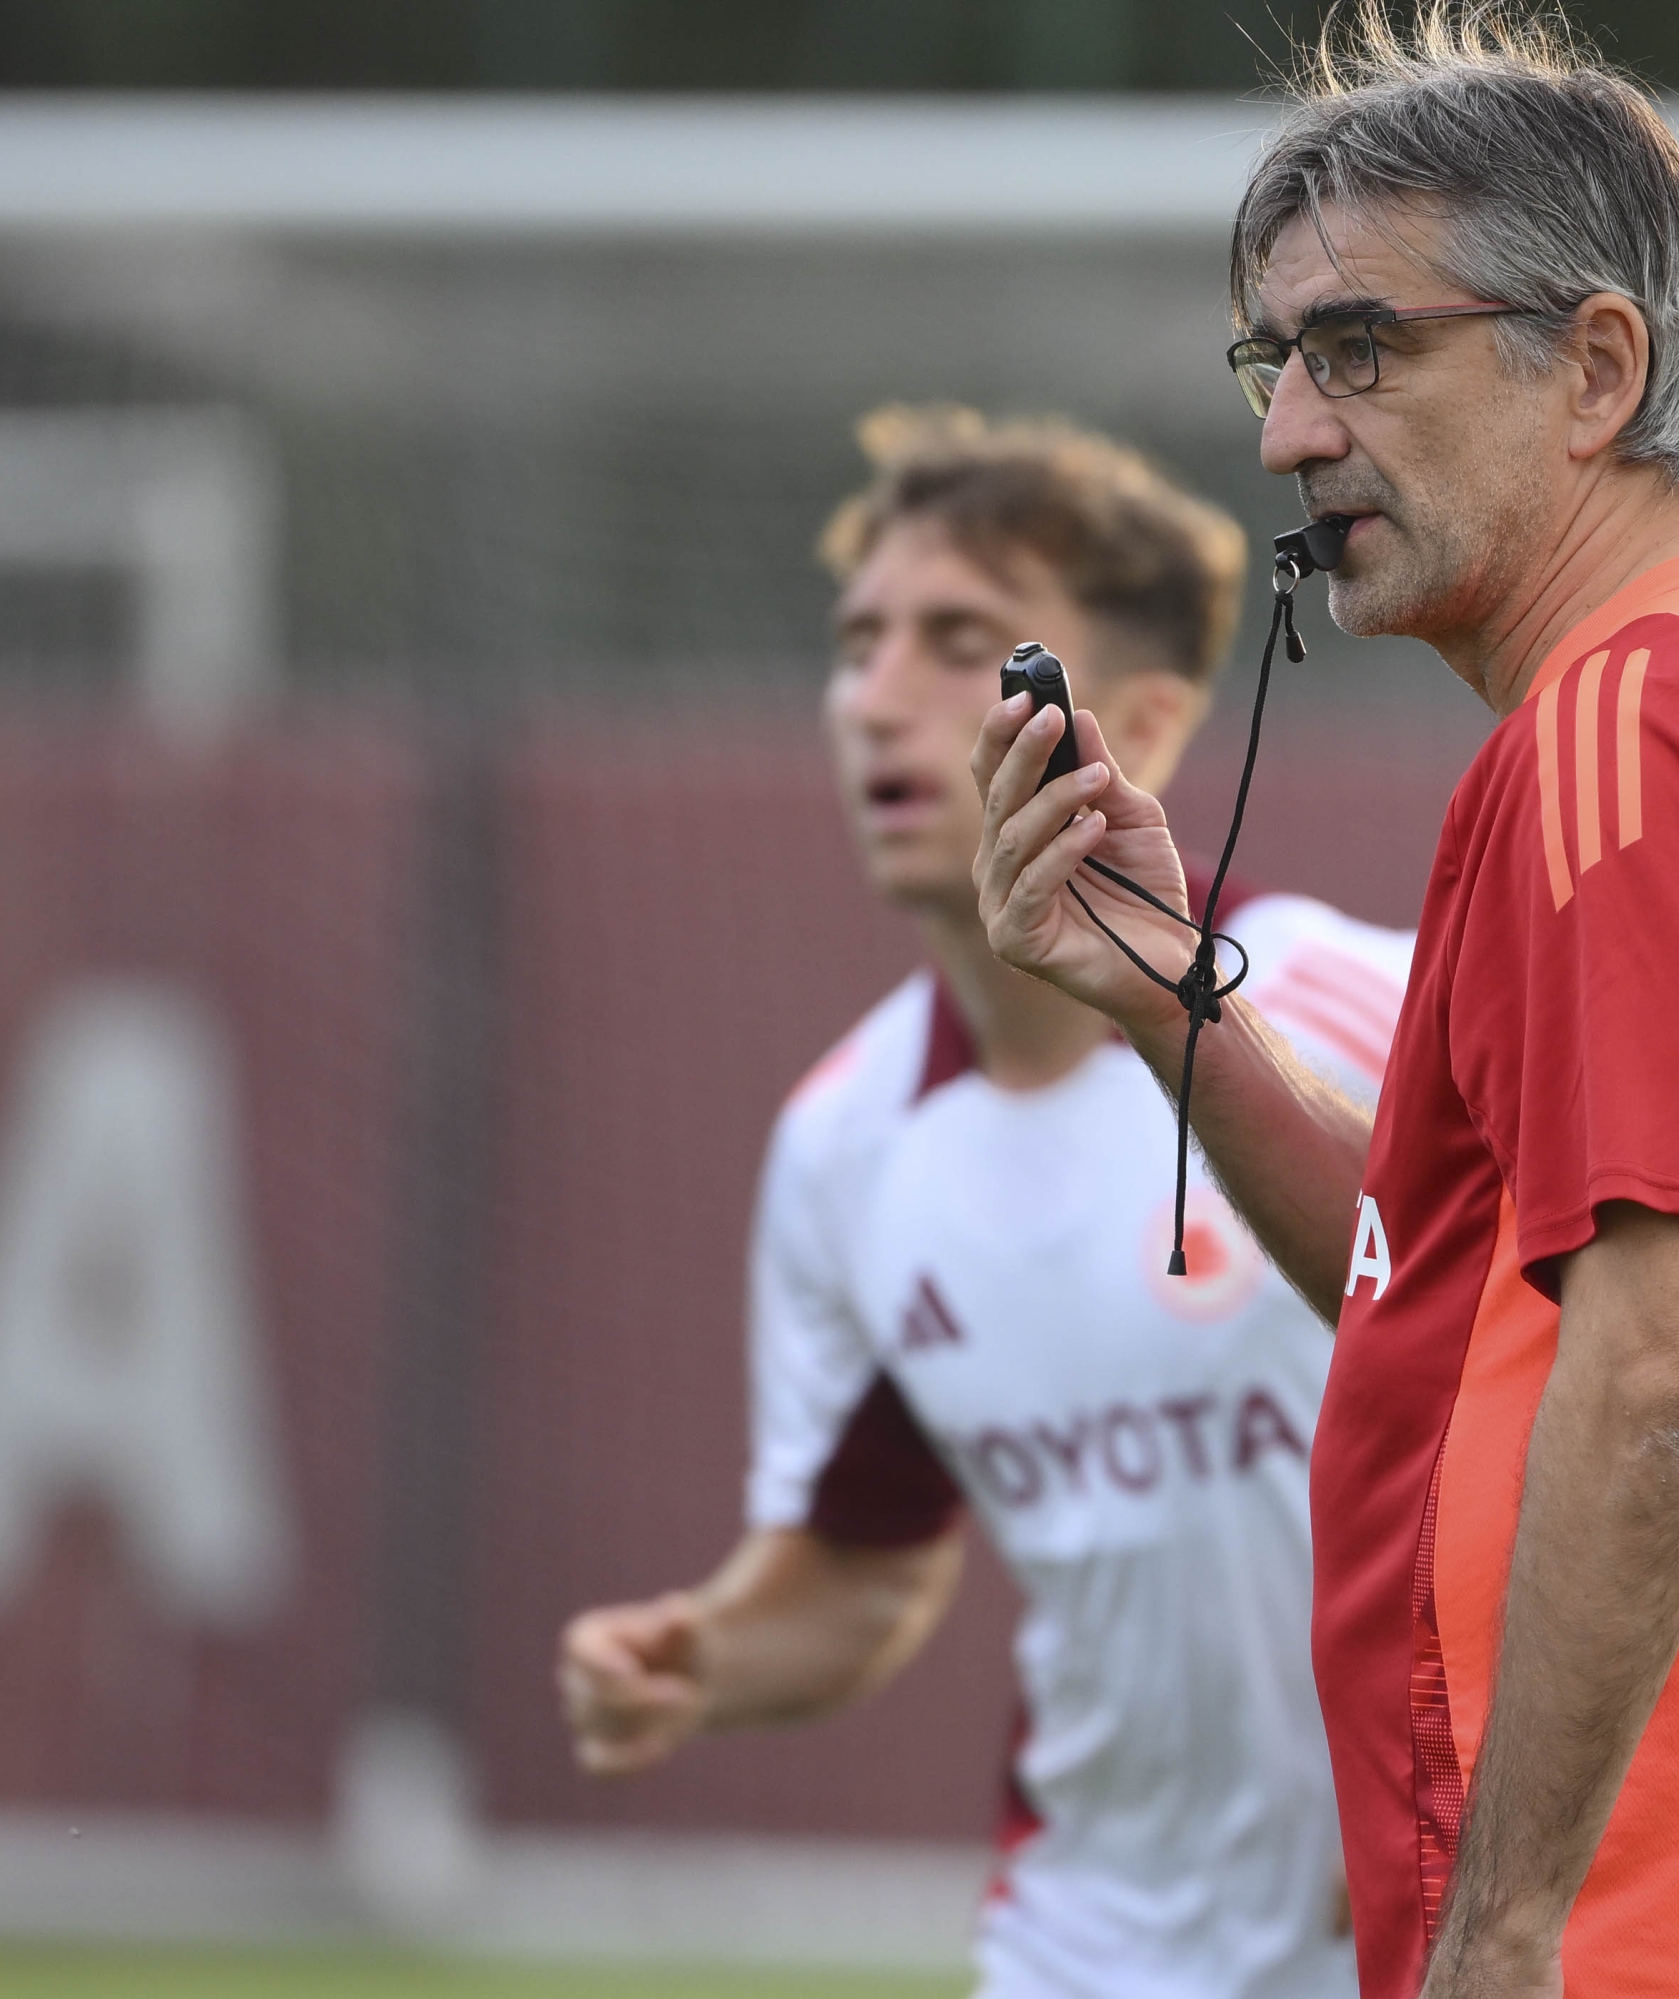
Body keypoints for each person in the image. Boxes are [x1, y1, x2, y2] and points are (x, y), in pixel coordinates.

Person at [968, 10, 1679, 1997]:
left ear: (1598, 371)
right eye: (1275, 362)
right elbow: (1458, 1295)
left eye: (1361, 346)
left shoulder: (1635, 726)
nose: (1291, 431)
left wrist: (1507, 1918)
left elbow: (1665, 1361)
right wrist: (1169, 999)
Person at [557, 406, 1413, 1999]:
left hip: (1444, 1944)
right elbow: (863, 1568)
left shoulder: (1371, 1003)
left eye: (960, 644)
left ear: (1142, 724)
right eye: (856, 641)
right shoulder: (846, 1143)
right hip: (1085, 1950)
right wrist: (700, 1657)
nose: (875, 699)